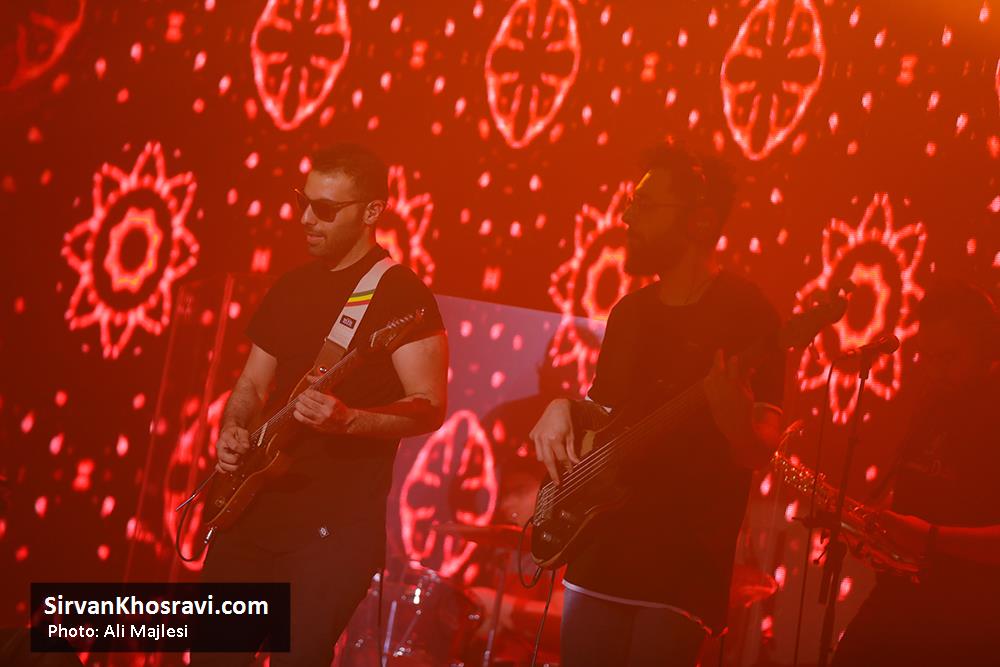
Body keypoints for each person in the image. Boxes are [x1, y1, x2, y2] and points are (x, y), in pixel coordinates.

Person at [530, 145, 785, 666]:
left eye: (644, 205)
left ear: (700, 221)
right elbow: (604, 415)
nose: (627, 217)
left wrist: (735, 420)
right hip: (601, 549)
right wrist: (563, 407)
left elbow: (759, 451)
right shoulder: (630, 313)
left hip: (681, 565)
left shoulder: (749, 315)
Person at [196, 143, 448, 666]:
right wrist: (234, 430)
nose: (306, 219)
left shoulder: (401, 295)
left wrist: (349, 420)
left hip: (330, 535)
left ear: (372, 211)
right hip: (251, 514)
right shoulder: (290, 286)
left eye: (326, 209)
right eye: (303, 202)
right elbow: (251, 384)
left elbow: (428, 406)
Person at [832, 280, 1000, 666]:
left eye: (949, 358)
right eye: (928, 357)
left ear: (988, 347)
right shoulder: (934, 403)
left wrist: (930, 537)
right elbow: (926, 484)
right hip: (900, 599)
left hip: (970, 621)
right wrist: (877, 528)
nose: (935, 371)